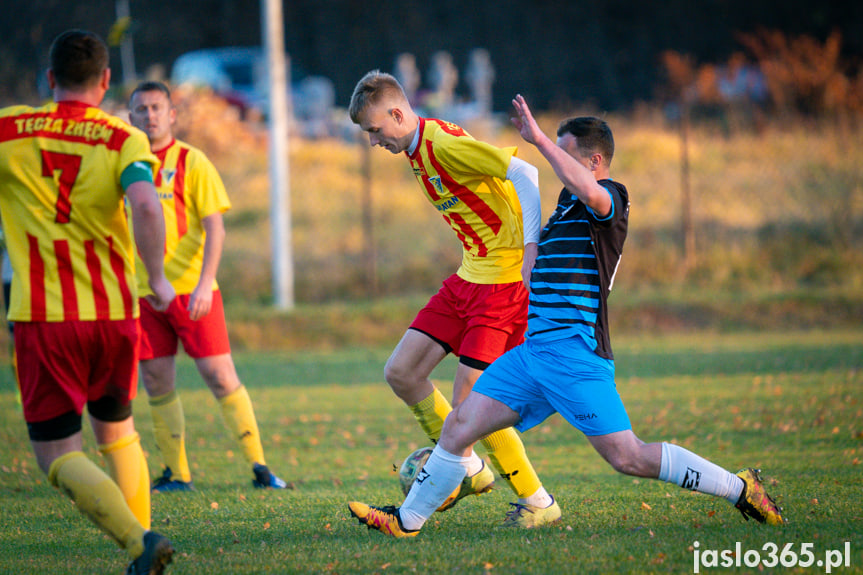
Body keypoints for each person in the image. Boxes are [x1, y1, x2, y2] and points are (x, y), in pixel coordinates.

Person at [348, 94, 786, 537]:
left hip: (576, 357)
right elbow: (532, 221)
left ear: (595, 161)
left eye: (566, 153)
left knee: (627, 457)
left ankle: (738, 487)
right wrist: (530, 248)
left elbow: (590, 191)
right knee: (459, 424)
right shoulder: (564, 210)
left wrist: (537, 141)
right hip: (534, 355)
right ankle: (407, 521)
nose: (557, 160)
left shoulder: (610, 201)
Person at [348, 70, 561, 527]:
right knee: (402, 373)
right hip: (468, 278)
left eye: (375, 130)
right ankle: (466, 466)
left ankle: (537, 502)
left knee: (473, 406)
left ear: (398, 113)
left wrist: (530, 247)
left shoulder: (441, 145)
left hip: (502, 286)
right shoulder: (414, 148)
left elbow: (524, 172)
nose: (373, 141)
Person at [0, 30, 176, 572]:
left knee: (56, 453)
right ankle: (143, 541)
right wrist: (158, 278)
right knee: (118, 432)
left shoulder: (9, 130)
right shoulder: (122, 138)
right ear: (104, 82)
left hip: (45, 316)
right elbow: (146, 205)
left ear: (49, 79)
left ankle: (137, 542)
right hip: (114, 313)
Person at [127, 81, 287, 492]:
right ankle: (177, 474)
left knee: (220, 376)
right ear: (131, 117)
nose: (150, 115)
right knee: (157, 382)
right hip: (143, 294)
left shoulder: (191, 162)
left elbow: (215, 227)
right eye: (141, 109)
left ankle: (261, 468)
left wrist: (203, 285)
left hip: (192, 292)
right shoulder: (125, 164)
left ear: (172, 114)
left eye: (157, 107)